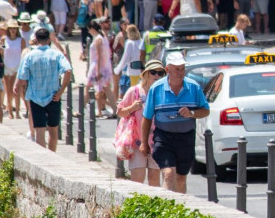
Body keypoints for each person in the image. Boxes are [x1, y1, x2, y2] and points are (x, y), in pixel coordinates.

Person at [138, 51, 210, 193]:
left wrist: (192, 113)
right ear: (167, 69)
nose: (180, 72)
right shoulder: (156, 89)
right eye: (177, 69)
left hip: (185, 137)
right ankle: (168, 209)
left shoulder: (193, 87)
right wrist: (144, 142)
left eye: (182, 68)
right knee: (168, 173)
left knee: (181, 178)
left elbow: (206, 110)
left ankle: (180, 210)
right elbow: (147, 117)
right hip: (163, 137)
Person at [15, 27, 72, 151]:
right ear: (49, 39)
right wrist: (61, 91)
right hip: (53, 97)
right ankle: (52, 155)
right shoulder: (57, 55)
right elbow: (68, 70)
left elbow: (23, 78)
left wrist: (18, 86)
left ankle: (43, 157)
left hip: (36, 98)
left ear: (35, 39)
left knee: (39, 131)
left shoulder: (30, 55)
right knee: (53, 130)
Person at [114, 58, 163, 186]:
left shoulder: (163, 93)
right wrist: (132, 108)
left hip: (157, 141)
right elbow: (119, 112)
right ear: (146, 74)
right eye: (153, 72)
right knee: (137, 180)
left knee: (154, 179)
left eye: (160, 73)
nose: (157, 75)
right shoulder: (134, 91)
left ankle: (154, 206)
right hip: (137, 141)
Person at [86, 19, 115, 118]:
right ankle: (112, 109)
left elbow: (98, 56)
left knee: (88, 87)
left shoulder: (98, 39)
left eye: (89, 29)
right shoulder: (103, 36)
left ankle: (81, 110)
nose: (88, 32)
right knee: (106, 90)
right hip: (104, 67)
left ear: (92, 29)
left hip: (98, 67)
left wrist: (98, 72)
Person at [1, 19, 26, 119]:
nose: (12, 30)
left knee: (17, 90)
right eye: (11, 28)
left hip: (17, 65)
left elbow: (23, 53)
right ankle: (10, 111)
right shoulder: (4, 39)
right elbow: (2, 50)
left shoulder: (21, 40)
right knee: (8, 90)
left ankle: (17, 112)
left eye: (14, 29)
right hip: (7, 65)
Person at [114, 24, 144, 90]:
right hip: (142, 69)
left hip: (133, 69)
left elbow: (125, 58)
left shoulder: (129, 43)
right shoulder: (141, 41)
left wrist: (118, 69)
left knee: (135, 89)